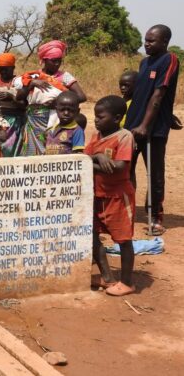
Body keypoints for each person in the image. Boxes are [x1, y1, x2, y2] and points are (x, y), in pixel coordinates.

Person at [124, 25, 179, 235]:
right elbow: (143, 93)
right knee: (126, 169)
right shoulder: (144, 62)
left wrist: (146, 125)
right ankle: (127, 209)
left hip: (153, 128)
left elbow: (159, 94)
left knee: (154, 173)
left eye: (151, 41)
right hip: (133, 124)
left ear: (164, 42)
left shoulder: (169, 59)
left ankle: (155, 217)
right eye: (145, 40)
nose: (146, 44)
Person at [86, 96, 136, 296]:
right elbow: (84, 157)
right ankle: (107, 277)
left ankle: (127, 282)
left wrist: (92, 163)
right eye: (95, 116)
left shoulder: (124, 137)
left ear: (116, 118)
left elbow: (118, 167)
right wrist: (97, 157)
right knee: (92, 235)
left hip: (118, 196)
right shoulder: (96, 136)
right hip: (98, 195)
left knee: (124, 240)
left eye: (100, 116)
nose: (96, 120)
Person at [0, 53, 24, 157]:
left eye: (7, 69)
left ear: (13, 68)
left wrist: (11, 96)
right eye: (1, 69)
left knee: (13, 152)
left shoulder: (20, 83)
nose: (3, 72)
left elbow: (24, 105)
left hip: (15, 124)